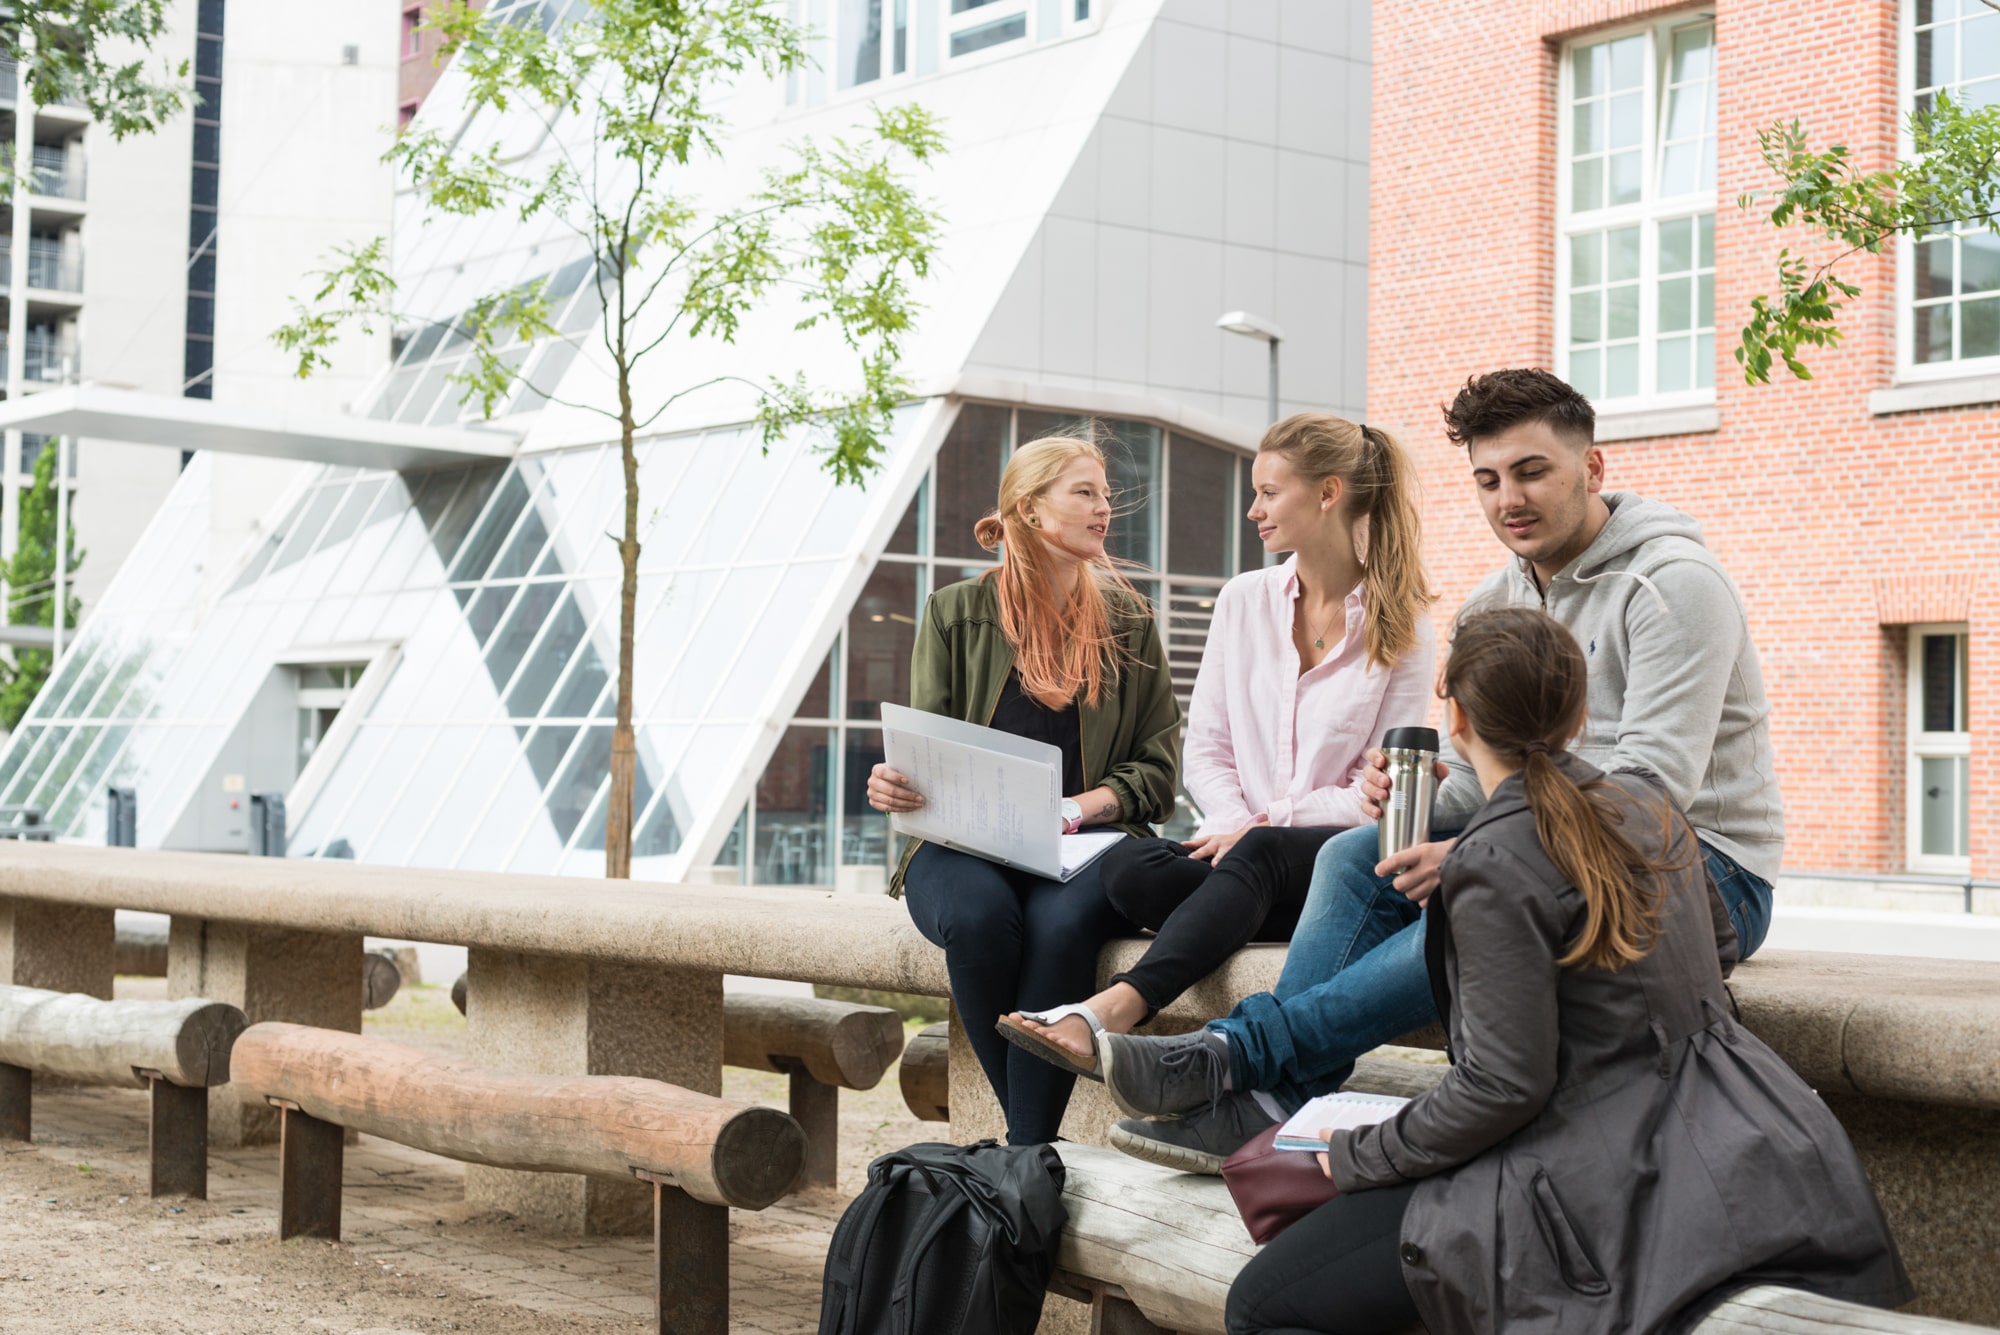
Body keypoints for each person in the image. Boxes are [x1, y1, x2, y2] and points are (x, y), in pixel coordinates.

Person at [1099, 367, 1788, 1170]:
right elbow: (1473, 781)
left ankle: (1237, 1059)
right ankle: (1277, 1098)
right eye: (1488, 479)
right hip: (1546, 854)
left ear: (1592, 469)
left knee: (1487, 893)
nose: (1509, 500)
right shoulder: (1492, 603)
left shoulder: (1673, 585)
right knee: (1353, 851)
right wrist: (1409, 798)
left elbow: (1650, 793)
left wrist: (1477, 854)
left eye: (1533, 471)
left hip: (1701, 871)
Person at [1222, 608, 1909, 1335]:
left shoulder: (1489, 861)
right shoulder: (1646, 798)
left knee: (1260, 1305)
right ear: (1579, 715)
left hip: (1588, 1173)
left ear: (1454, 715)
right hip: (1748, 1134)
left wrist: (1353, 1154)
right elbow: (1720, 946)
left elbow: (1502, 1086)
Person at [996, 415, 1437, 1078]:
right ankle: (1244, 902)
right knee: (1127, 868)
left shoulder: (1403, 625)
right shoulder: (1243, 600)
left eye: (1268, 492)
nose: (1254, 509)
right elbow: (1203, 745)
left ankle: (1114, 1009)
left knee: (1260, 852)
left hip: (1333, 862)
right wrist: (1235, 824)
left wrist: (1265, 826)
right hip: (1242, 854)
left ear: (1328, 493)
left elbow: (1376, 797)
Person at [870, 432, 1181, 1146]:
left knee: (1061, 926)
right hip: (963, 843)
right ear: (1031, 509)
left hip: (1085, 845)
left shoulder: (1131, 622)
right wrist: (895, 782)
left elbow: (1159, 771)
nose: (1105, 508)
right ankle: (1031, 1144)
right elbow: (929, 754)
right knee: (979, 919)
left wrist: (1081, 806)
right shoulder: (955, 612)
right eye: (1085, 493)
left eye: (1106, 494)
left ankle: (1023, 1155)